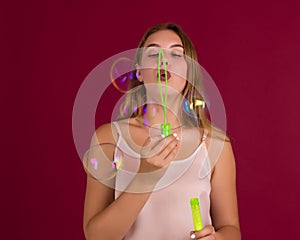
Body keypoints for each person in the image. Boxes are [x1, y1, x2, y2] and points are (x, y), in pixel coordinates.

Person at [83, 23, 241, 240]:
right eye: (153, 53)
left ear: (189, 72)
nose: (164, 60)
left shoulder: (216, 144)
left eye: (176, 54)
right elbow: (96, 237)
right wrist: (146, 177)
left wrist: (217, 238)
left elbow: (231, 229)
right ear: (139, 71)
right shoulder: (109, 137)